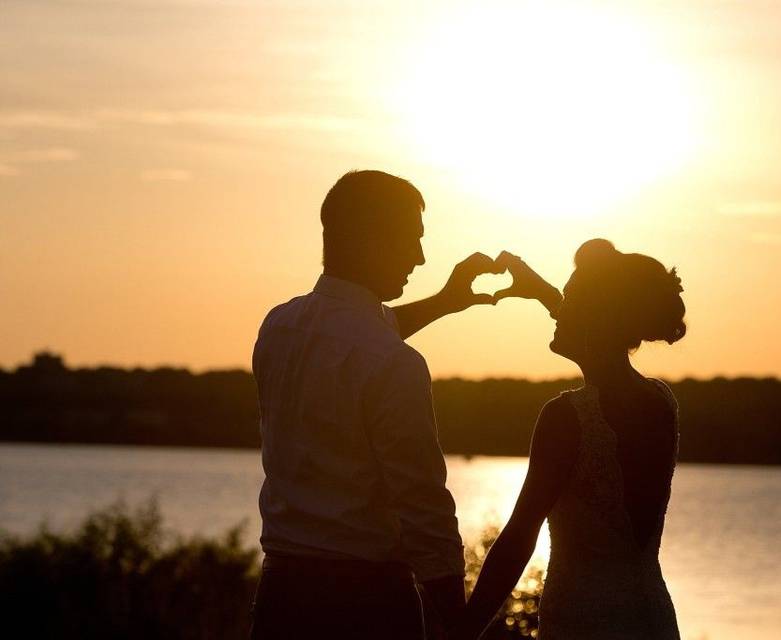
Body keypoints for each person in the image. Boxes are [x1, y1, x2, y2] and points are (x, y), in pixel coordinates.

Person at [249, 170, 503, 639]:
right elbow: (423, 503)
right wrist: (457, 621)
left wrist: (446, 302)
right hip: (368, 604)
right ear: (369, 241)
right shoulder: (395, 363)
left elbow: (353, 337)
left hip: (280, 598)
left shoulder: (278, 328)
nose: (421, 257)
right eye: (411, 239)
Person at [456, 239, 687, 639]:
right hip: (652, 619)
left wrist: (461, 631)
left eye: (570, 298)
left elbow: (518, 539)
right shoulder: (659, 401)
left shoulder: (567, 418)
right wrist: (541, 289)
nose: (558, 312)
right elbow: (603, 336)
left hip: (585, 625)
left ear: (596, 318)